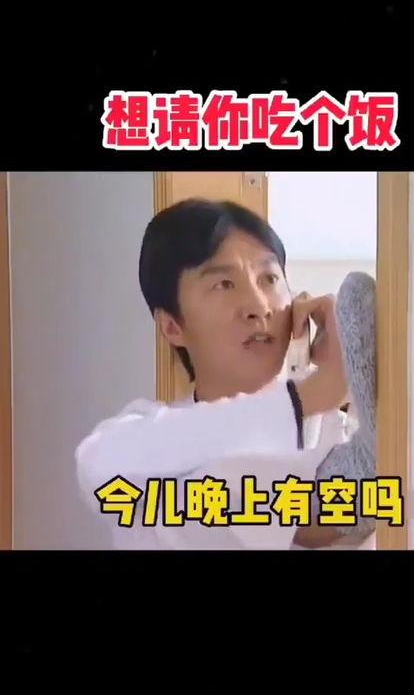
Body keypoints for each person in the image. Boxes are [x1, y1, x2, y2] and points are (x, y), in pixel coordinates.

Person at [75, 198, 364, 549]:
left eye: (269, 278)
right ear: (172, 327)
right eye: (224, 284)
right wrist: (307, 397)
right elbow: (98, 466)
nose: (259, 307)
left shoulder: (342, 434)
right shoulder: (141, 437)